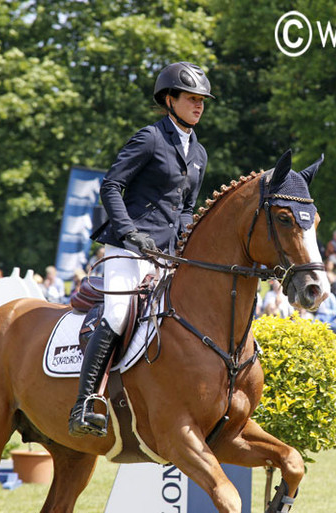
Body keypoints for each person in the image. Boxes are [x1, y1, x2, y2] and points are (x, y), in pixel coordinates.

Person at [69, 61, 215, 437]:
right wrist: (130, 232)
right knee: (119, 314)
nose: (198, 106)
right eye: (191, 99)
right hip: (128, 247)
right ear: (169, 99)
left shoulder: (198, 153)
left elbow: (185, 209)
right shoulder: (150, 138)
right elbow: (111, 186)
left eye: (202, 100)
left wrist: (186, 245)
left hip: (167, 254)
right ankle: (85, 403)